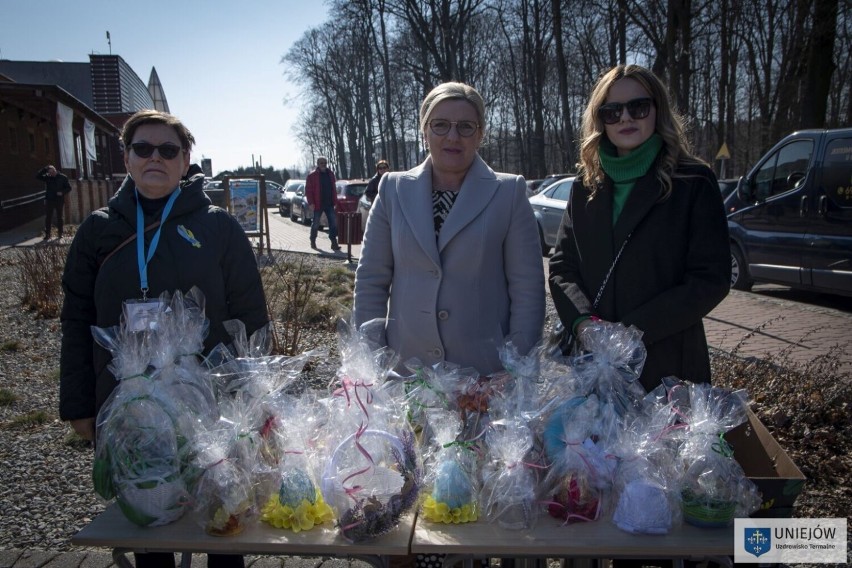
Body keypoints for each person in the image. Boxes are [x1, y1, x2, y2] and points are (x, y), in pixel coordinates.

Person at [59, 109, 268, 568]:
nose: (156, 157)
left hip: (209, 398)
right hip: (131, 400)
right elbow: (76, 319)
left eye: (168, 150)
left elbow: (251, 316)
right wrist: (79, 405)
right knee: (149, 514)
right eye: (143, 148)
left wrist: (252, 398)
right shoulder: (98, 229)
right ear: (127, 156)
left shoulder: (218, 227)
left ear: (185, 158)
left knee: (221, 513)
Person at [549, 64, 731, 393]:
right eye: (612, 111)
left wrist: (633, 331)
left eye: (638, 107)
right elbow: (563, 266)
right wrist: (583, 324)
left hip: (668, 366)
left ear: (656, 109)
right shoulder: (585, 185)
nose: (625, 118)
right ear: (600, 119)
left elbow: (710, 278)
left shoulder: (693, 181)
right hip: (594, 366)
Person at [354, 81, 545, 378]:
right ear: (424, 131)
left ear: (480, 133)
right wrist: (373, 364)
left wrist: (513, 368)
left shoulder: (508, 193)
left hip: (484, 379)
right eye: (440, 125)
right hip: (407, 375)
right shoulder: (393, 189)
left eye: (466, 126)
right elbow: (370, 281)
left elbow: (528, 290)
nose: (453, 136)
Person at [305, 156, 340, 251]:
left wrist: (335, 201)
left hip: (329, 203)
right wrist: (311, 203)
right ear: (318, 164)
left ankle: (334, 243)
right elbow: (308, 191)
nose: (323, 164)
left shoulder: (330, 174)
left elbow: (334, 189)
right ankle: (313, 241)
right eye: (321, 163)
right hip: (317, 204)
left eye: (325, 162)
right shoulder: (312, 176)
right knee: (316, 223)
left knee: (333, 223)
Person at [36, 164, 72, 240]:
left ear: (54, 170)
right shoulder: (48, 177)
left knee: (60, 217)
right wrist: (45, 169)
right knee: (48, 217)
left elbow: (69, 188)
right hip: (49, 199)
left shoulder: (63, 177)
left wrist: (62, 192)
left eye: (51, 172)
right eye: (49, 173)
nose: (50, 174)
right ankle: (48, 234)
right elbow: (38, 176)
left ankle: (60, 233)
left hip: (59, 200)